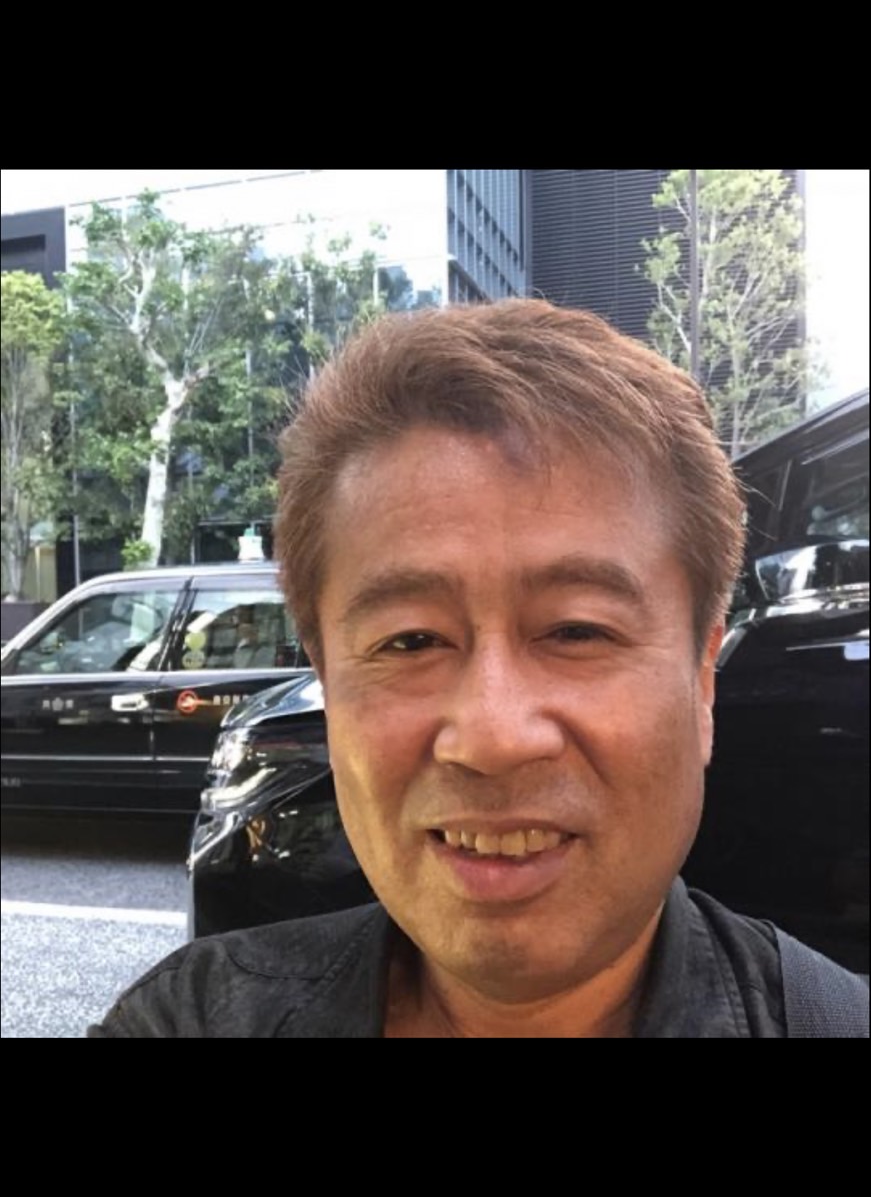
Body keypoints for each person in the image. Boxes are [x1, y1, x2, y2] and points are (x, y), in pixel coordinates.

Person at [87, 301, 868, 1037]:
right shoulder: (192, 1017)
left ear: (700, 683)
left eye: (576, 630)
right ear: (329, 687)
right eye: (410, 641)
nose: (493, 737)